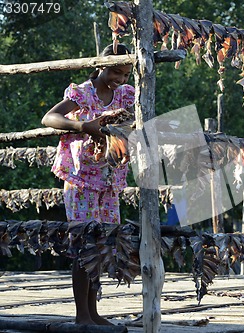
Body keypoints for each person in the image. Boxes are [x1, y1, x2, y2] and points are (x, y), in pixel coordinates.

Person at [41, 43, 135, 325]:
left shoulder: (126, 95)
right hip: (81, 179)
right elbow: (50, 118)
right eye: (114, 72)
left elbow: (132, 123)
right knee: (84, 245)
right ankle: (82, 314)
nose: (119, 79)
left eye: (125, 74)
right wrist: (83, 126)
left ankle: (94, 312)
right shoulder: (81, 93)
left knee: (103, 244)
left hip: (109, 179)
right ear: (100, 66)